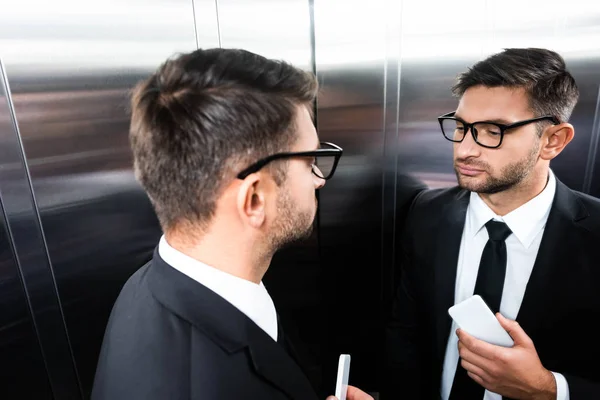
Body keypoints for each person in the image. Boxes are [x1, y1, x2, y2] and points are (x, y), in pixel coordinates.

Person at [91, 47, 372, 400]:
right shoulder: (207, 386)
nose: (320, 179)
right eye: (311, 160)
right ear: (254, 199)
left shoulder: (152, 282)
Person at [384, 48, 600, 400]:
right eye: (461, 127)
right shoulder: (427, 213)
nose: (465, 150)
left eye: (493, 131)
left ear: (552, 141)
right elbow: (407, 332)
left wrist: (548, 389)